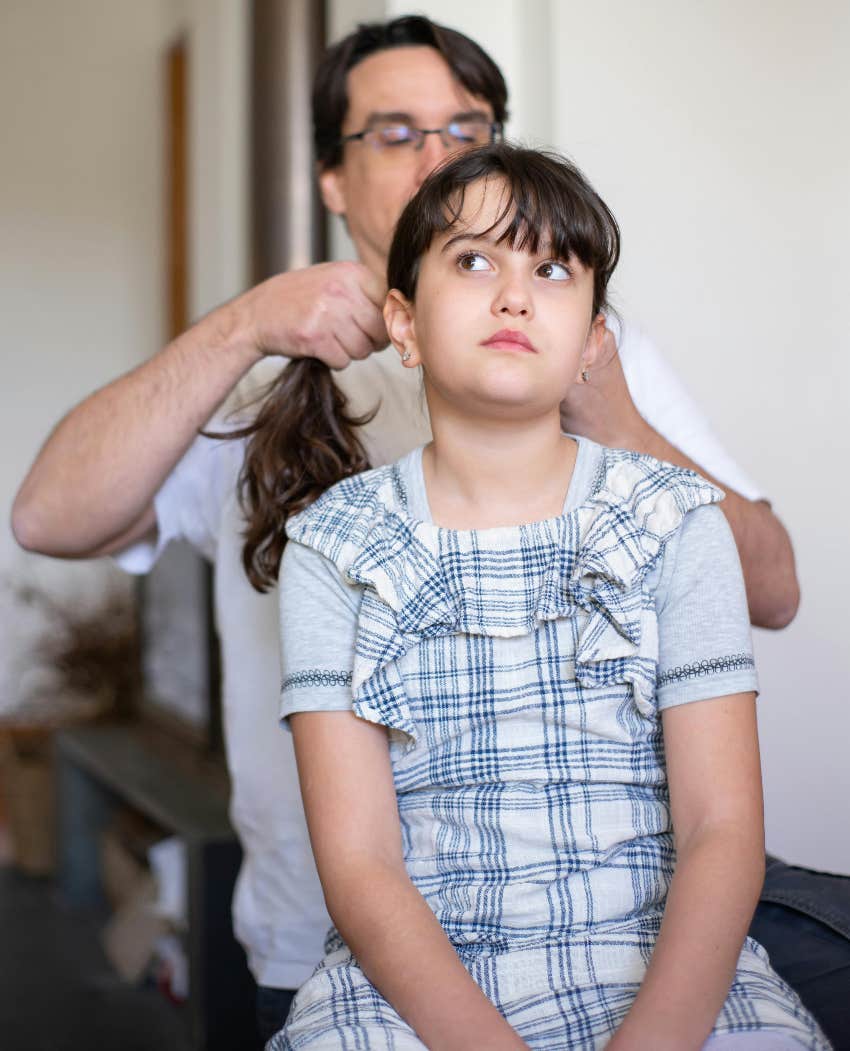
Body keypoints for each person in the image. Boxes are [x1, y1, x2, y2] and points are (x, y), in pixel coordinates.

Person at [10, 14, 840, 1045]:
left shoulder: (600, 370)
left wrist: (607, 409)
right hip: (339, 944)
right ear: (331, 179)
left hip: (633, 947)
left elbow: (771, 589)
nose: (439, 154)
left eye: (466, 126)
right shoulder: (282, 411)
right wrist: (245, 323)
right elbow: (48, 514)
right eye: (396, 132)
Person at [270, 143, 827, 1051]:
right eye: (474, 260)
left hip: (667, 967)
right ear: (402, 322)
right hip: (417, 985)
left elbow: (721, 826)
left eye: (553, 268)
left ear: (594, 342)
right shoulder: (335, 547)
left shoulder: (678, 521)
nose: (515, 294)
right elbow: (361, 862)